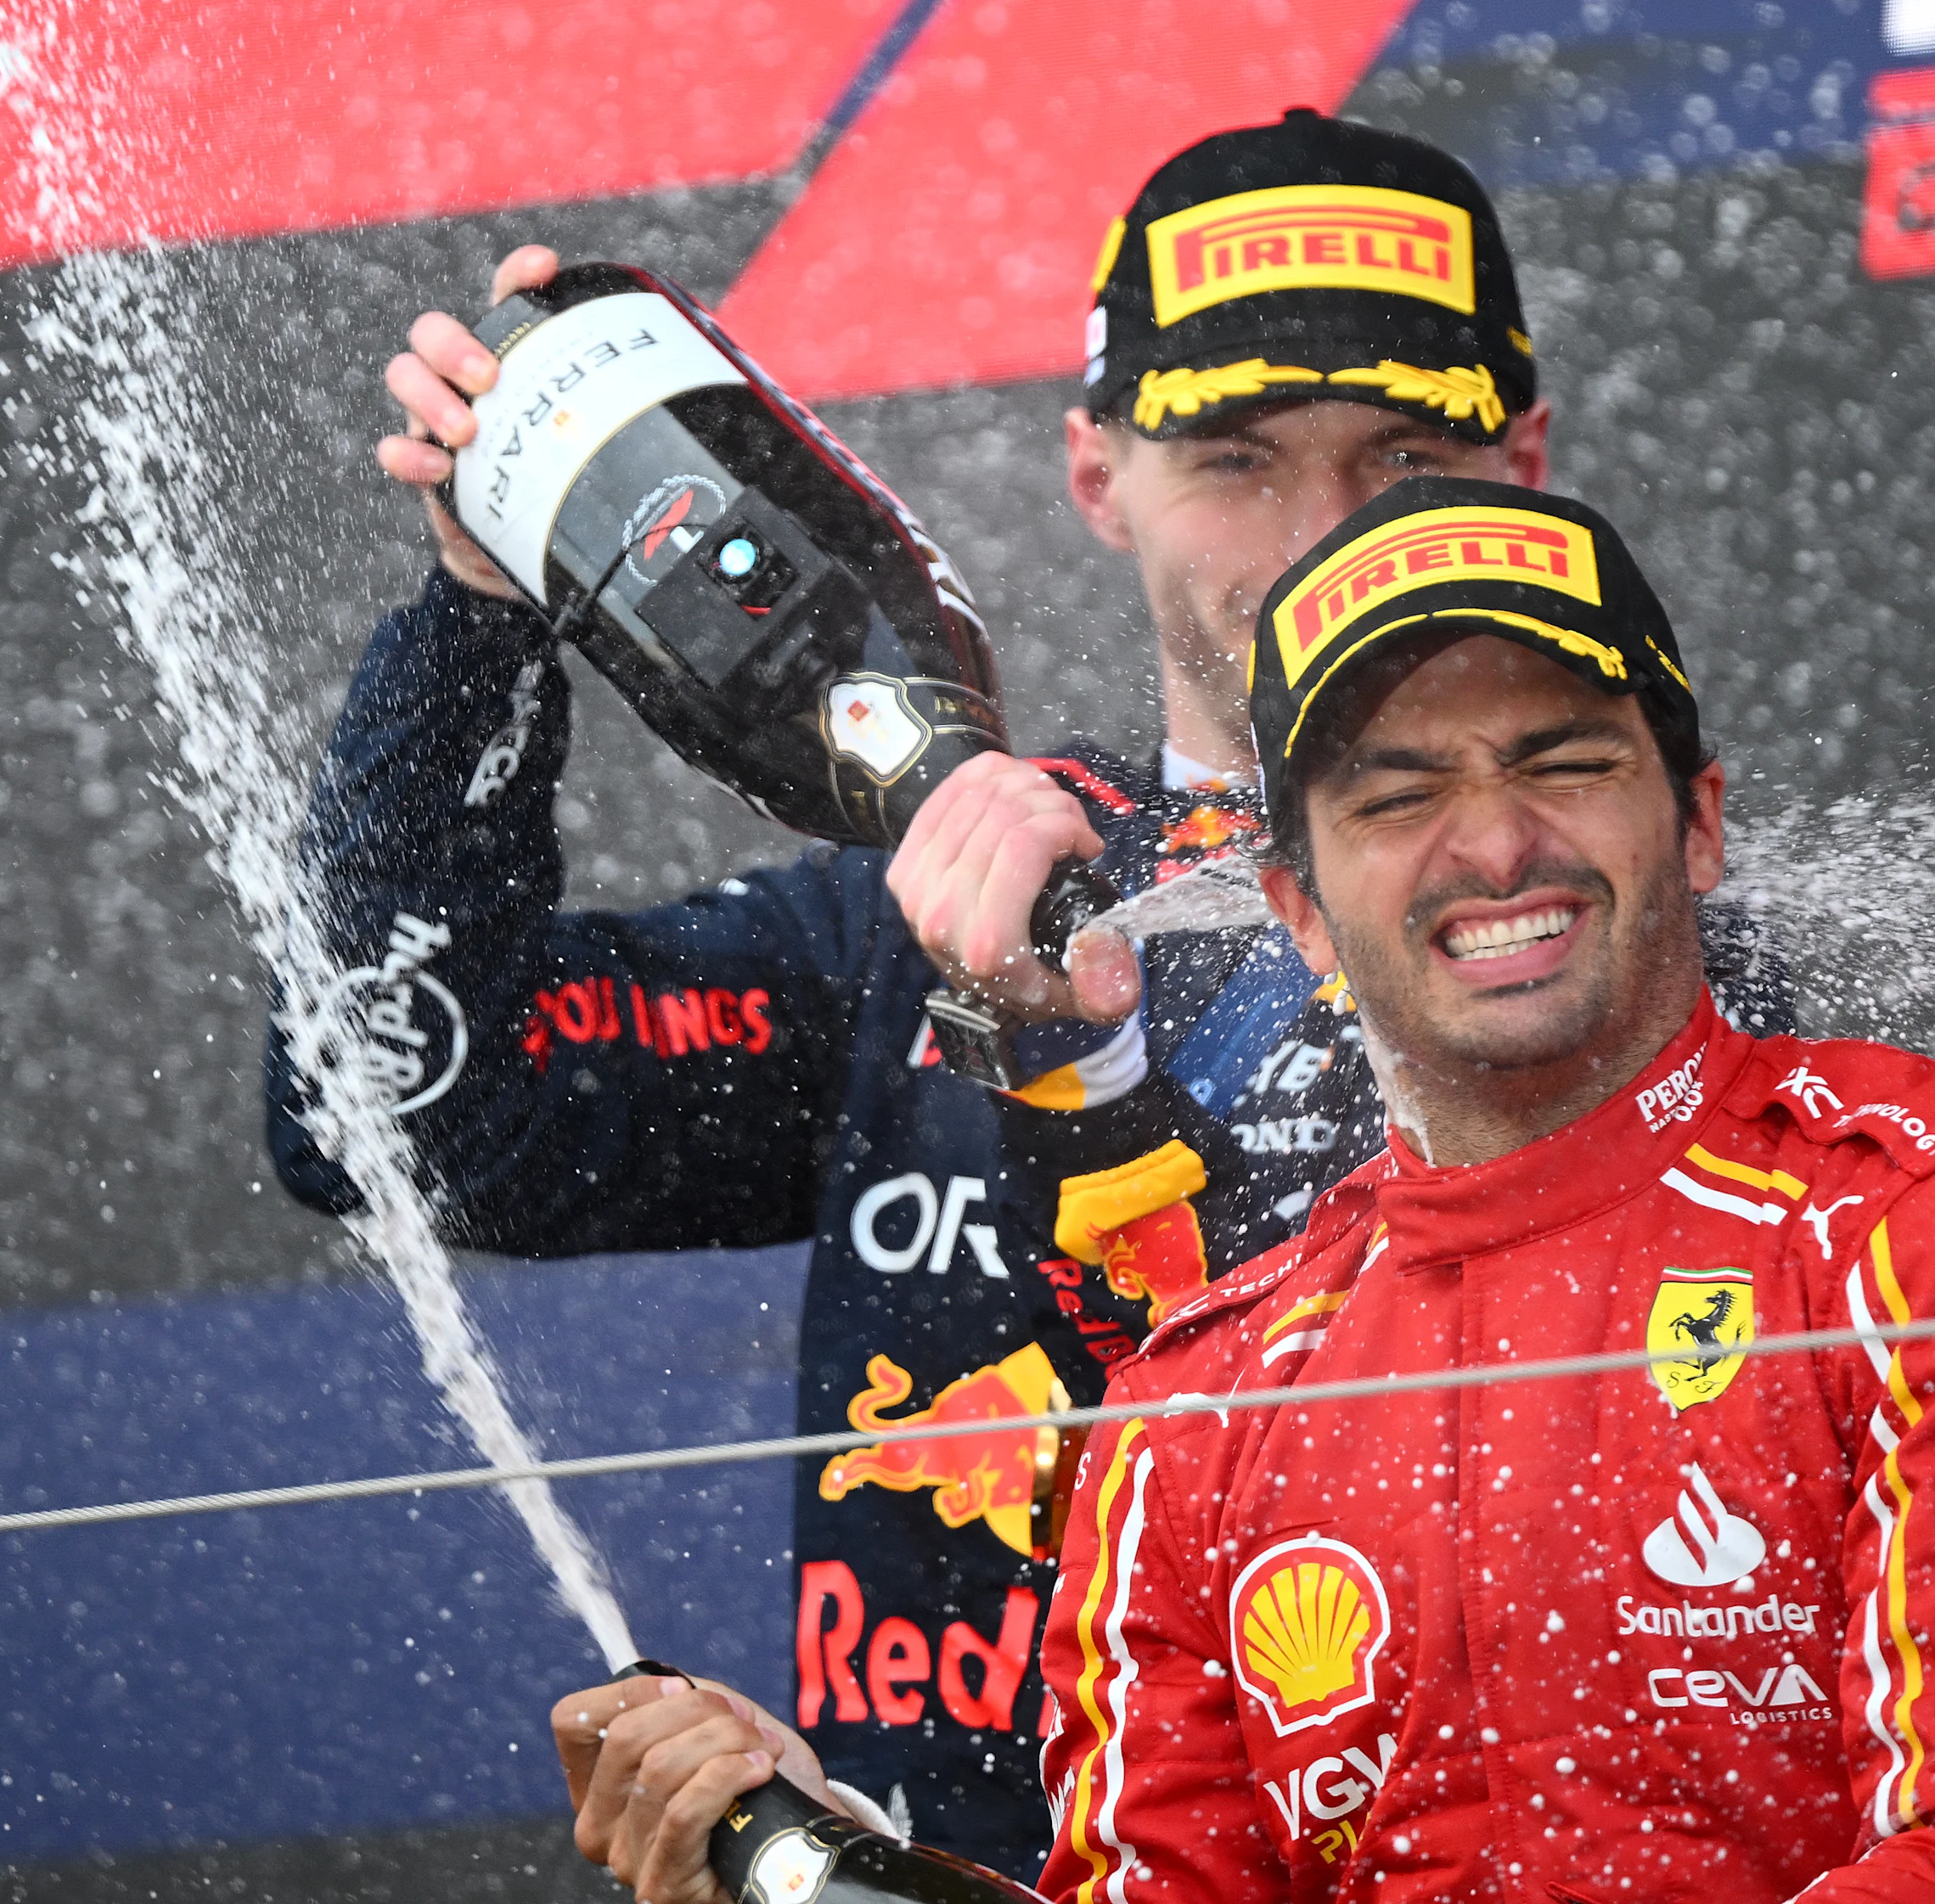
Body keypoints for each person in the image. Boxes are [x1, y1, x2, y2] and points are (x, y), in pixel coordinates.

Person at [272, 111, 1779, 1870]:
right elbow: (382, 1105)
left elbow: (1410, 1441)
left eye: (1399, 458)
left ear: (1522, 466)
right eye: (1236, 460)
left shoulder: (1608, 930)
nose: (1318, 532)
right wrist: (482, 606)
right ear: (1095, 475)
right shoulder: (908, 904)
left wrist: (1075, 1052)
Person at [1030, 480, 1935, 1899]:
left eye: (1564, 762)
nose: (1492, 844)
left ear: (1701, 822)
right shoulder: (1196, 1409)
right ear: (1298, 908)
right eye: (1399, 793)